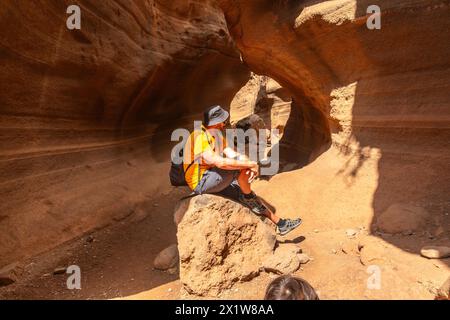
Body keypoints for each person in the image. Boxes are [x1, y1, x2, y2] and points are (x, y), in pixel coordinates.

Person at [183, 105, 302, 236]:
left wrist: (249, 163)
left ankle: (281, 223)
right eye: (223, 121)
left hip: (212, 177)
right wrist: (248, 165)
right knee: (241, 176)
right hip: (201, 182)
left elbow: (233, 154)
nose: (225, 124)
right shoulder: (199, 136)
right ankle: (247, 197)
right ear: (217, 123)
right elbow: (220, 162)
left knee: (244, 192)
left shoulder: (216, 135)